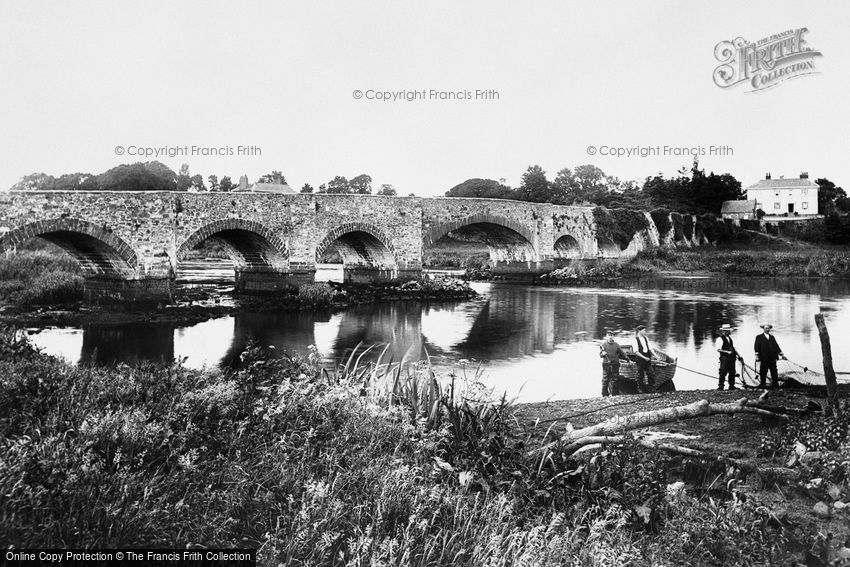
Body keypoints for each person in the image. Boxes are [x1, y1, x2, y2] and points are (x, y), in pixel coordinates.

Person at [754, 324, 785, 389]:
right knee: (763, 371)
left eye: (768, 328)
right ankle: (763, 384)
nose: (767, 330)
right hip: (764, 358)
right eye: (766, 328)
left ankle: (775, 384)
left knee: (774, 371)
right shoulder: (759, 337)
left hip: (772, 357)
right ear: (763, 329)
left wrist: (781, 354)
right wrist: (757, 356)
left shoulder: (772, 337)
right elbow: (756, 347)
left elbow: (776, 346)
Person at [715, 323, 744, 390]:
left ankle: (731, 386)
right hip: (724, 358)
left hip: (732, 358)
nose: (728, 332)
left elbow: (734, 348)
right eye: (726, 331)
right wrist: (727, 352)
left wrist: (739, 356)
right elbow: (718, 349)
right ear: (723, 331)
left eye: (728, 331)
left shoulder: (730, 339)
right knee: (723, 372)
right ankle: (721, 386)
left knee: (732, 372)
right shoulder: (720, 339)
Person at [599, 329, 626, 396]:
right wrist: (603, 354)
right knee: (605, 380)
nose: (610, 337)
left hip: (615, 364)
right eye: (609, 335)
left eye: (612, 335)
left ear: (613, 336)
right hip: (606, 364)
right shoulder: (603, 345)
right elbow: (600, 355)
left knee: (616, 379)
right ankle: (604, 394)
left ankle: (615, 394)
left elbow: (622, 354)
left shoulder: (616, 345)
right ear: (606, 336)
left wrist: (628, 359)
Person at [634, 325, 656, 392]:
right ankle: (640, 389)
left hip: (647, 358)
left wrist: (655, 355)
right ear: (639, 331)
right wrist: (644, 358)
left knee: (651, 373)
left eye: (645, 330)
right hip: (640, 359)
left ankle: (651, 388)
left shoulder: (645, 338)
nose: (645, 332)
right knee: (640, 375)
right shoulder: (635, 339)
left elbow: (650, 348)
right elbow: (636, 352)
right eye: (643, 330)